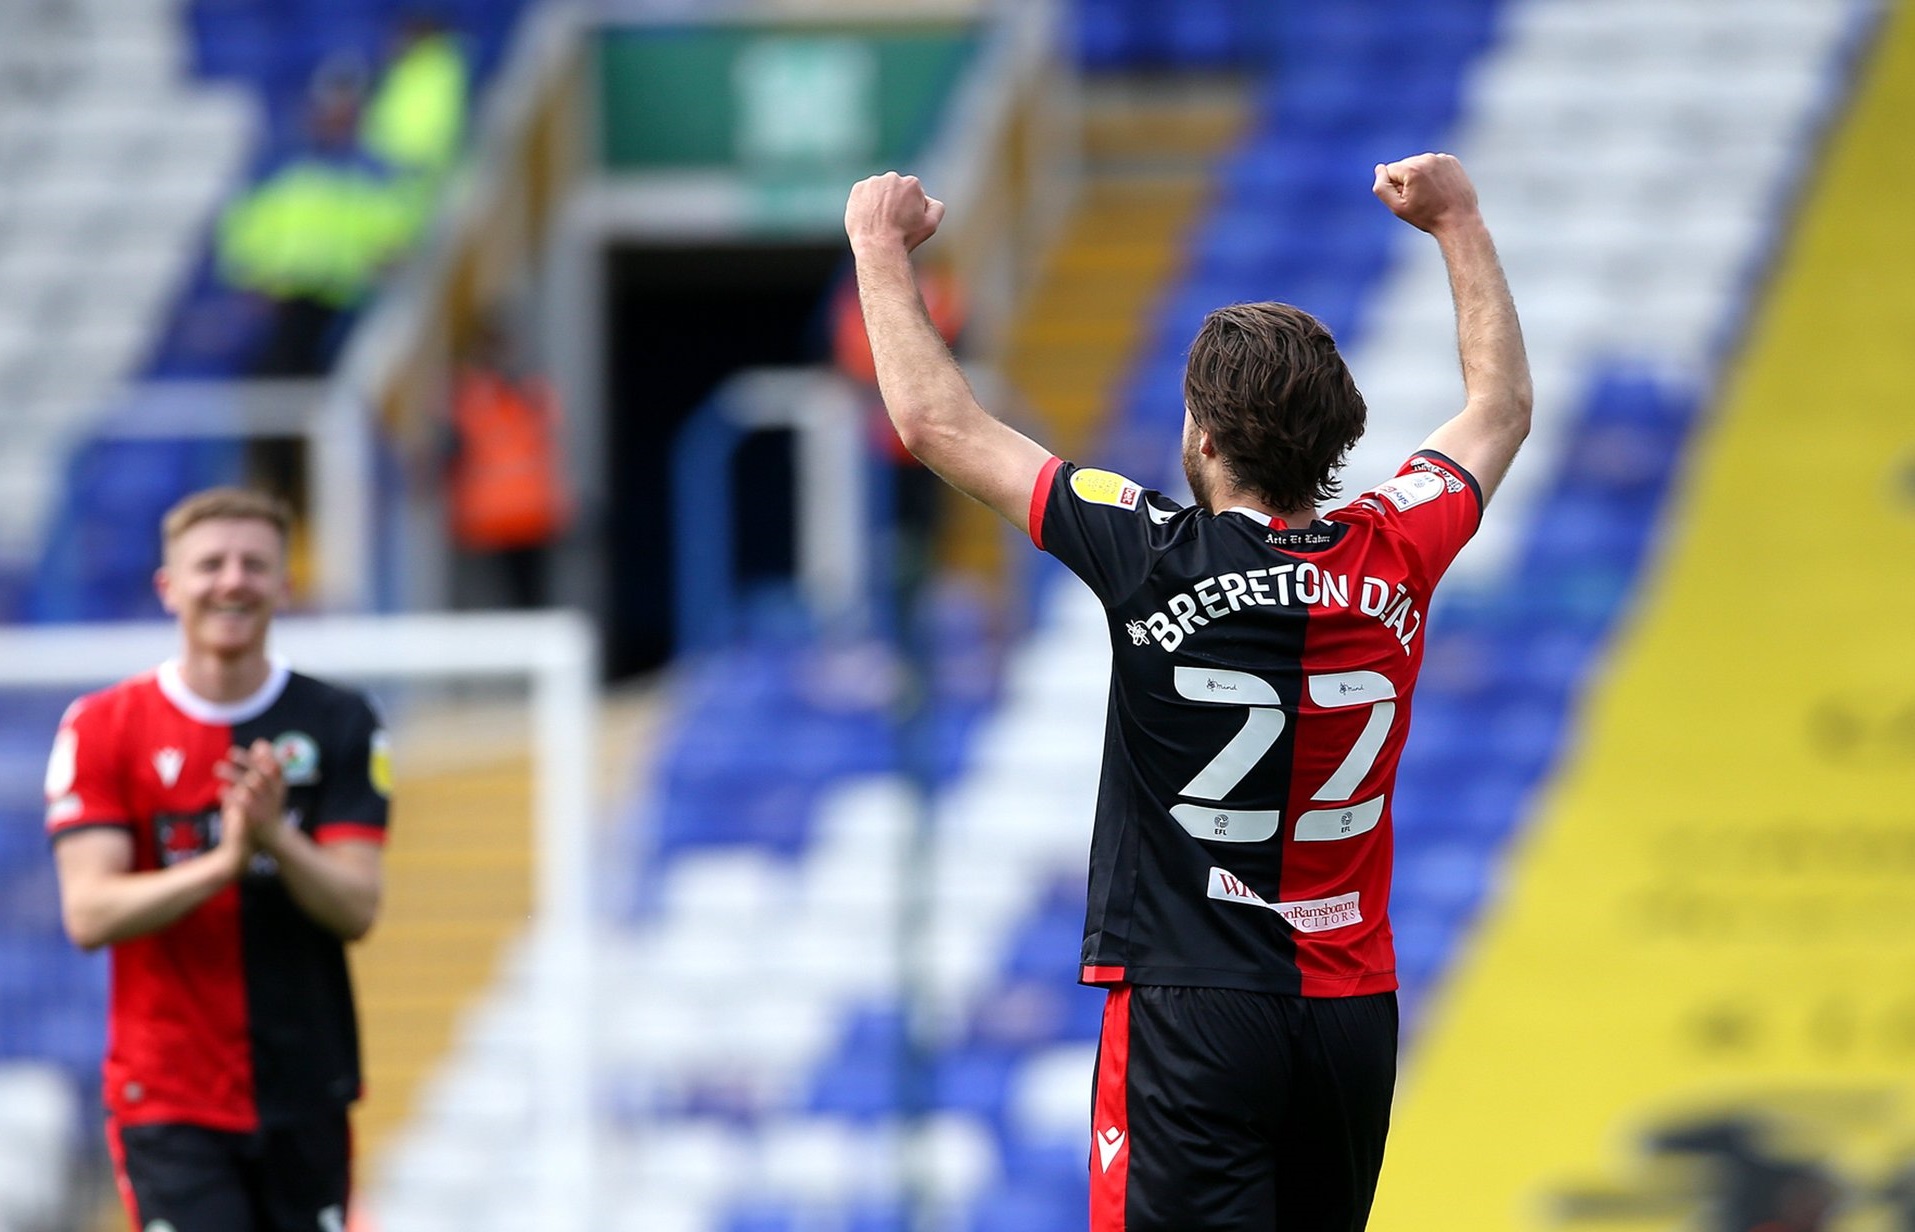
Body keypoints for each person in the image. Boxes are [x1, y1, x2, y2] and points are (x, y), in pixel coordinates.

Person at [844, 153, 1530, 1230]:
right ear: (1334, 437)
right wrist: (1459, 223)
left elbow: (937, 424)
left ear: (1203, 438)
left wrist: (878, 250)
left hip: (1193, 1002)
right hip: (1349, 1010)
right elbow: (1497, 407)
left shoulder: (1151, 549)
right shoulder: (1394, 546)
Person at [44, 488, 391, 1232]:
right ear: (169, 587)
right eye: (211, 564)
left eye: (253, 564)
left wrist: (277, 840)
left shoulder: (339, 721)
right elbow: (89, 912)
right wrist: (225, 861)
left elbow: (357, 907)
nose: (232, 580)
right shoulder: (105, 727)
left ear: (285, 583)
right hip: (168, 1096)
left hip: (305, 1085)